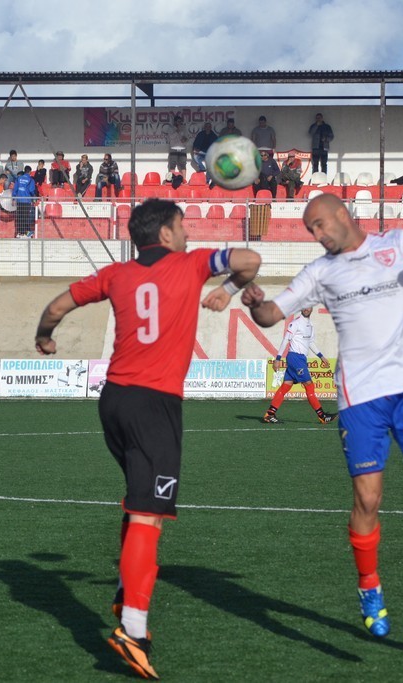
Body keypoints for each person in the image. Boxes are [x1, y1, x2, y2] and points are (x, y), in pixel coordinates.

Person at [35, 198, 262, 680]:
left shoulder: (115, 274)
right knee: (148, 514)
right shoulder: (190, 264)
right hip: (154, 405)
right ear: (164, 233)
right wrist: (226, 289)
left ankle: (125, 594)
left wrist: (45, 337)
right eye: (182, 226)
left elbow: (56, 306)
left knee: (138, 500)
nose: (187, 233)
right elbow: (249, 260)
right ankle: (132, 631)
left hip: (114, 400)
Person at [240, 193, 403, 640]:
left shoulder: (399, 243)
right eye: (311, 230)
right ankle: (369, 586)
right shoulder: (320, 272)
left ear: (343, 215)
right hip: (360, 398)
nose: (317, 235)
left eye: (320, 224)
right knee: (368, 499)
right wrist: (254, 303)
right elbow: (270, 315)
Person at [263, 307, 334, 424]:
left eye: (309, 307)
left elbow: (310, 342)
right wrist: (278, 359)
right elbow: (285, 340)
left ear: (312, 308)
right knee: (309, 385)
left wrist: (321, 356)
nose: (306, 309)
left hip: (300, 359)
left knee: (286, 385)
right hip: (295, 358)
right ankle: (322, 416)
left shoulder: (310, 325)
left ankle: (269, 414)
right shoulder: (295, 323)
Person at [12, 165, 38, 237]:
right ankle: (26, 233)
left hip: (19, 200)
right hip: (27, 201)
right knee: (26, 217)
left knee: (19, 217)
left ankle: (20, 233)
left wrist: (13, 198)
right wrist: (34, 196)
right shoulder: (31, 180)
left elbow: (15, 189)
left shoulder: (18, 178)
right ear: (30, 172)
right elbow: (31, 190)